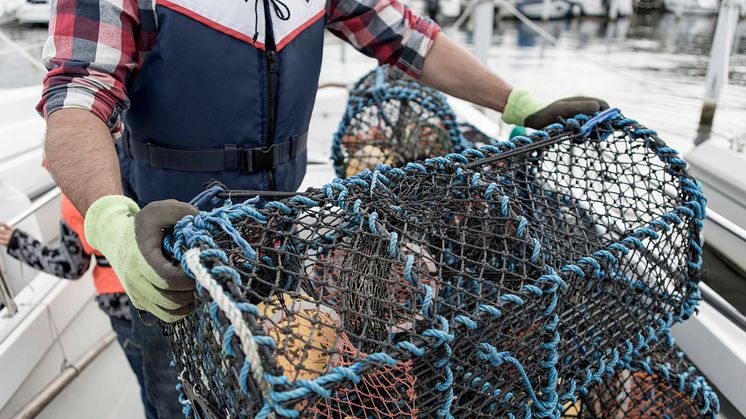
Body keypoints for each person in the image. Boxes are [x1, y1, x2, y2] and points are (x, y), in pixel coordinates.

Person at [38, 0, 608, 415]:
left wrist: (517, 103)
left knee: (290, 387)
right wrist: (114, 222)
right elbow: (75, 98)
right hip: (171, 262)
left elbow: (410, 38)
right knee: (184, 401)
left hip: (277, 240)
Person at [0, 195, 159, 419]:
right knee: (174, 384)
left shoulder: (74, 197)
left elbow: (71, 265)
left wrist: (18, 242)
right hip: (163, 294)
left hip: (123, 310)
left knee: (150, 387)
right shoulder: (135, 169)